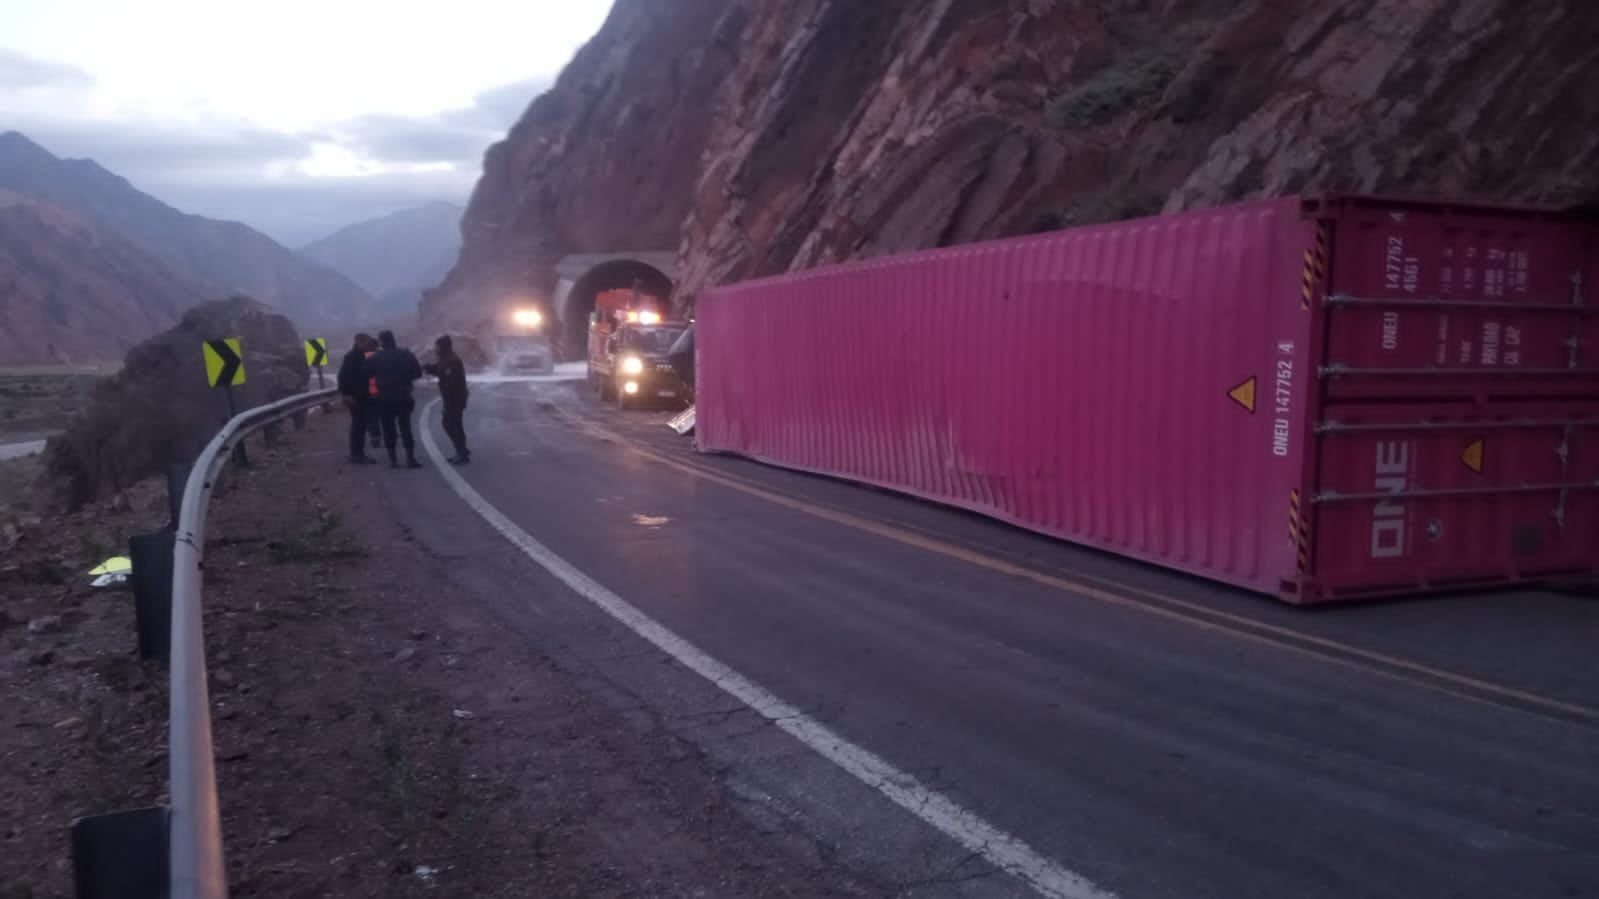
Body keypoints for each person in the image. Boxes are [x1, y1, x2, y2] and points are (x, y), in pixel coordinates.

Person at [363, 330, 424, 469]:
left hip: (384, 398)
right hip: (403, 395)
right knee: (406, 428)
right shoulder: (406, 354)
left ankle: (393, 460)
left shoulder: (375, 357)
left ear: (381, 342)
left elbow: (365, 372)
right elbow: (418, 373)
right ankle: (410, 458)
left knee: (388, 429)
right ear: (393, 339)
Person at [423, 334, 471, 464]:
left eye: (437, 346)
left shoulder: (451, 360)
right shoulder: (446, 359)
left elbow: (450, 381)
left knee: (451, 424)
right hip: (455, 397)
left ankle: (461, 452)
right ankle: (461, 450)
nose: (435, 349)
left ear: (442, 347)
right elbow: (440, 370)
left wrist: (447, 404)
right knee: (454, 424)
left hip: (454, 398)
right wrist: (429, 368)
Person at [336, 332, 377, 464]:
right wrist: (346, 394)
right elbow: (343, 377)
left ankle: (357, 453)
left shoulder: (363, 356)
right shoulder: (352, 357)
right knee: (359, 425)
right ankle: (356, 454)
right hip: (356, 397)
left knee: (360, 424)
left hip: (363, 395)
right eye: (366, 343)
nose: (368, 345)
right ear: (359, 343)